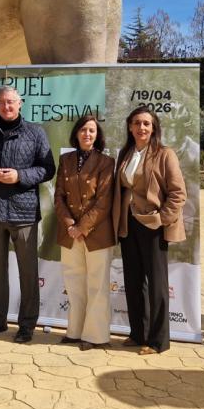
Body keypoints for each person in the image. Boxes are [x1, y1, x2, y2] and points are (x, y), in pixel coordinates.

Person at [0, 85, 56, 343]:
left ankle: (27, 326)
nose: (7, 106)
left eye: (11, 102)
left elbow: (48, 169)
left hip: (24, 212)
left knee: (28, 274)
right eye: (3, 102)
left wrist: (20, 176)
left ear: (20, 104)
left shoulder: (36, 133)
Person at [114, 106, 187, 355]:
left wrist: (161, 218)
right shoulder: (125, 153)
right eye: (137, 123)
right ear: (129, 127)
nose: (141, 127)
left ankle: (158, 342)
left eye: (146, 123)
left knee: (156, 284)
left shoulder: (165, 154)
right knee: (133, 282)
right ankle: (138, 334)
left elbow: (178, 193)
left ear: (153, 127)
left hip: (153, 227)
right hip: (128, 225)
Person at [54, 115, 115, 351]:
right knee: (75, 284)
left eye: (91, 130)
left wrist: (81, 227)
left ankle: (96, 336)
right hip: (70, 233)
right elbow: (59, 195)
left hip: (97, 233)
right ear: (76, 134)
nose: (87, 134)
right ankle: (74, 332)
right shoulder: (66, 160)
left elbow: (104, 201)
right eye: (83, 130)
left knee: (97, 286)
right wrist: (70, 224)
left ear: (97, 135)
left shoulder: (106, 162)